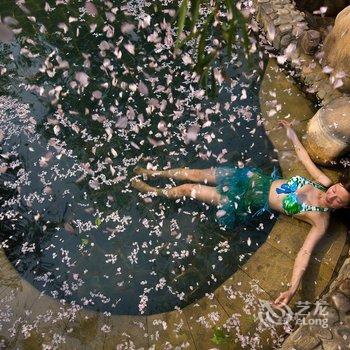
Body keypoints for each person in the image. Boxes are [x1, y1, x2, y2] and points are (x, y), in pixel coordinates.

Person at [131, 120, 350, 308]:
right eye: (335, 191)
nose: (331, 196)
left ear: (343, 207)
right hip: (250, 179)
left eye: (337, 199)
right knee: (195, 174)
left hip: (245, 199)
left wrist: (292, 289)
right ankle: (153, 172)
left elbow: (304, 253)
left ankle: (155, 191)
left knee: (189, 189)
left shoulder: (320, 220)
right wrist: (291, 134)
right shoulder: (324, 182)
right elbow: (304, 159)